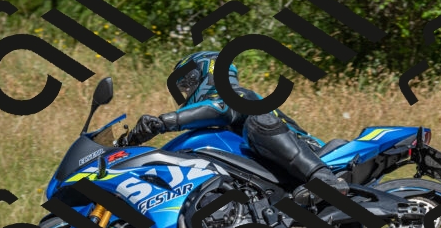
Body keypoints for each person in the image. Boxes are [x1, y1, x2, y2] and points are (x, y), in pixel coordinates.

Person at [127, 51, 348, 204]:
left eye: (186, 86)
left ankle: (322, 177)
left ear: (201, 76)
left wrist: (161, 123)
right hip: (282, 175)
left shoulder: (235, 97)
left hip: (314, 153)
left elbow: (218, 108)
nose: (186, 94)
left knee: (257, 121)